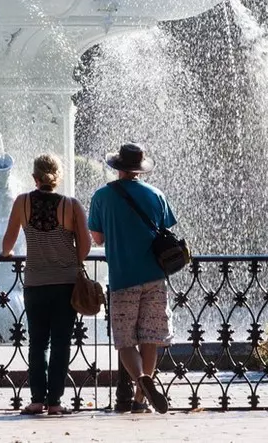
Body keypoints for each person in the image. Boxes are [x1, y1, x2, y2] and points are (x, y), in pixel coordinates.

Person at [87, 143, 176, 414]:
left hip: (123, 277)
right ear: (140, 168)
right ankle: (140, 400)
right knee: (150, 338)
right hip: (154, 277)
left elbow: (97, 238)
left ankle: (140, 380)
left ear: (118, 168)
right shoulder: (156, 195)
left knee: (125, 341)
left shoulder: (102, 196)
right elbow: (165, 229)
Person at [0, 153, 90, 416]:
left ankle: (37, 400)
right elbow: (84, 250)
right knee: (62, 342)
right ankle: (55, 403)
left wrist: (9, 255)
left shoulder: (22, 203)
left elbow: (6, 246)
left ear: (34, 178)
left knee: (38, 343)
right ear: (58, 177)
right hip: (66, 284)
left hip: (35, 284)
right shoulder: (71, 206)